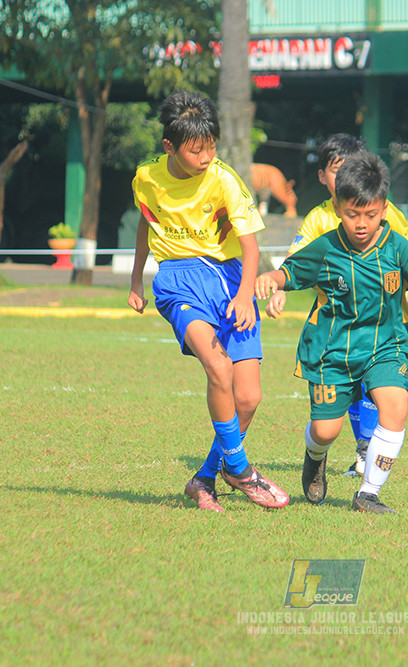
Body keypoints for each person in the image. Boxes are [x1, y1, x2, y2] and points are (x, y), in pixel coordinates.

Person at [255, 152, 408, 514]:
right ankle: (315, 457)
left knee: (395, 408)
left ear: (384, 209)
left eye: (370, 215)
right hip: (334, 351)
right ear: (338, 206)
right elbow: (291, 271)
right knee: (326, 430)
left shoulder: (397, 247)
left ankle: (368, 493)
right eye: (352, 214)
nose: (361, 223)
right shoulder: (327, 246)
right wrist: (272, 278)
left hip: (386, 347)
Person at [127, 90, 289, 512]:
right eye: (196, 150)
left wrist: (244, 297)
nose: (205, 156)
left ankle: (204, 479)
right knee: (217, 367)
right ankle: (240, 471)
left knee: (249, 398)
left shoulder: (225, 179)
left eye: (211, 146)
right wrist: (136, 281)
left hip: (231, 280)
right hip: (178, 282)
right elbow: (147, 227)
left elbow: (252, 249)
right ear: (170, 146)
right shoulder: (146, 177)